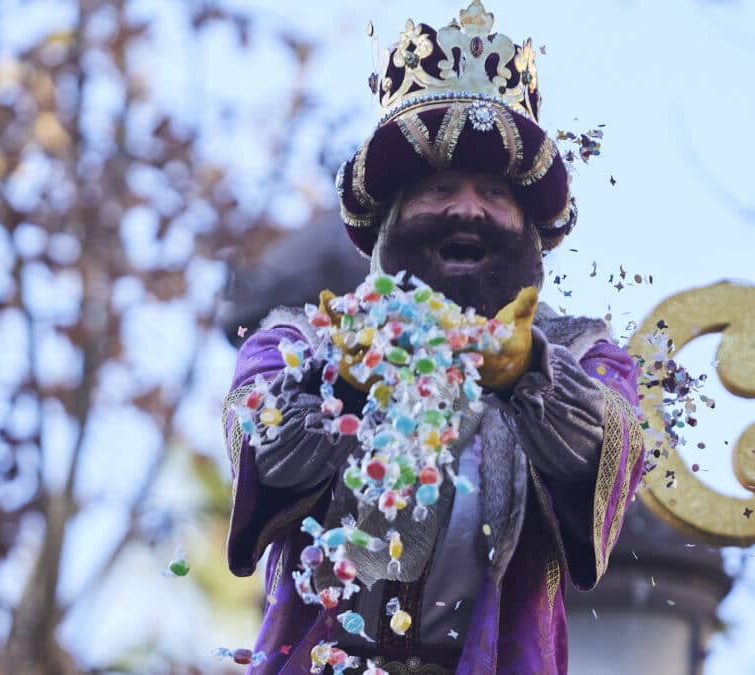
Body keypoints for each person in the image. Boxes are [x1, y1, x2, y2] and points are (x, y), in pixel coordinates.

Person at [223, 3, 645, 672]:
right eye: (440, 186)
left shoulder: (581, 352)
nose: (467, 207)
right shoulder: (301, 340)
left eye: (493, 193)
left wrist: (533, 373)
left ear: (529, 225)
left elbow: (618, 452)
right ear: (390, 219)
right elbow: (258, 444)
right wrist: (339, 384)